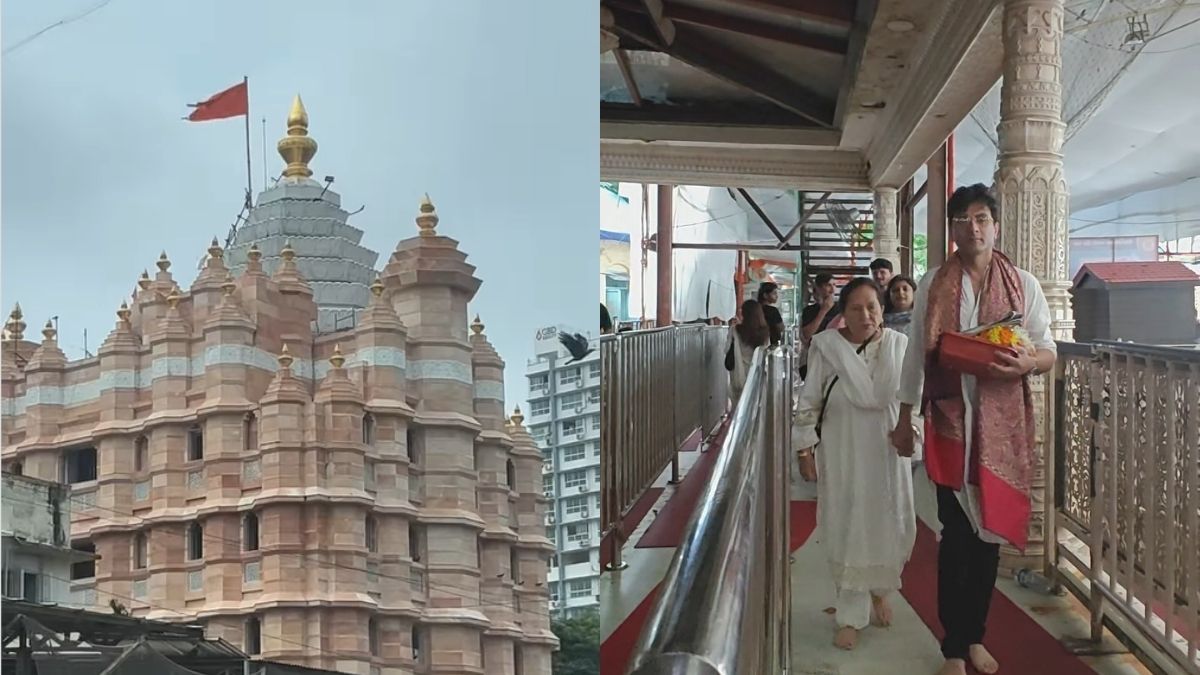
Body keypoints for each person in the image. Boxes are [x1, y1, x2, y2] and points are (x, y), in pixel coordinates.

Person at [891, 184, 1056, 675]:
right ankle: (953, 648)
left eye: (982, 218)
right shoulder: (934, 283)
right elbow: (916, 355)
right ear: (953, 230)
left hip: (1002, 432)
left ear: (996, 225)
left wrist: (1028, 363)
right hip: (947, 423)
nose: (973, 227)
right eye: (962, 219)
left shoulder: (1022, 283)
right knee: (957, 533)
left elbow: (1048, 349)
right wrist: (904, 418)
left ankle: (975, 637)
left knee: (987, 537)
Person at [793, 277, 916, 651]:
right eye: (856, 308)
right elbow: (810, 398)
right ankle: (850, 614)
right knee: (847, 523)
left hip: (885, 448)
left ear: (883, 309)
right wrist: (804, 451)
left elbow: (915, 398)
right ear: (842, 314)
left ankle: (880, 589)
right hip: (843, 446)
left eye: (873, 307)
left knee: (887, 520)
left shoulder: (899, 345)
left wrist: (913, 434)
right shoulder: (827, 347)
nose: (866, 315)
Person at [725, 299, 769, 406]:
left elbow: (726, 349)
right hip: (758, 377)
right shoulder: (765, 333)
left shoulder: (735, 330)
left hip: (739, 377)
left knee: (740, 410)